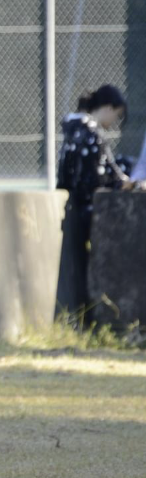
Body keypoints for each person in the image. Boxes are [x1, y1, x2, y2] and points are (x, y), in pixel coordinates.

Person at [54, 82, 143, 325]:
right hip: (87, 213)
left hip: (71, 210)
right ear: (108, 107)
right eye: (117, 115)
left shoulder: (73, 129)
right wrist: (126, 183)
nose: (114, 121)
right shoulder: (90, 133)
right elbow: (101, 175)